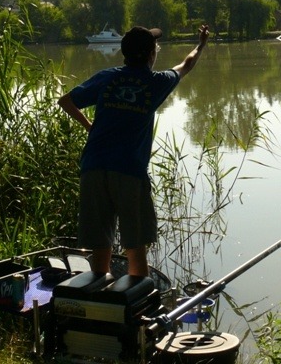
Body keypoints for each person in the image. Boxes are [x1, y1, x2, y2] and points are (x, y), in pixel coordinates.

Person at [57, 24, 210, 277]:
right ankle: (137, 304)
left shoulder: (107, 77)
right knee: (135, 244)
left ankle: (100, 297)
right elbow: (187, 65)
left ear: (124, 54)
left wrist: (90, 127)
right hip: (128, 171)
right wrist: (201, 44)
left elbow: (66, 101)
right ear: (152, 54)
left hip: (93, 167)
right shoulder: (156, 82)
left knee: (100, 244)